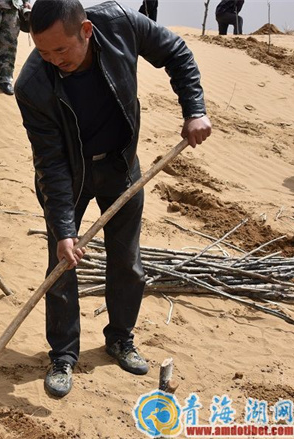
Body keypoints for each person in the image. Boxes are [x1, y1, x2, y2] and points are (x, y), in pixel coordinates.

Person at [15, 0, 211, 398]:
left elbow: (177, 52)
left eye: (61, 50)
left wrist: (194, 110)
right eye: (43, 52)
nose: (53, 60)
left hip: (121, 167)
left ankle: (120, 338)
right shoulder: (32, 85)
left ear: (85, 31)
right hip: (68, 177)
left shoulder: (120, 24)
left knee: (126, 259)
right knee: (62, 264)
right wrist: (66, 232)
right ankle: (63, 355)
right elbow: (49, 162)